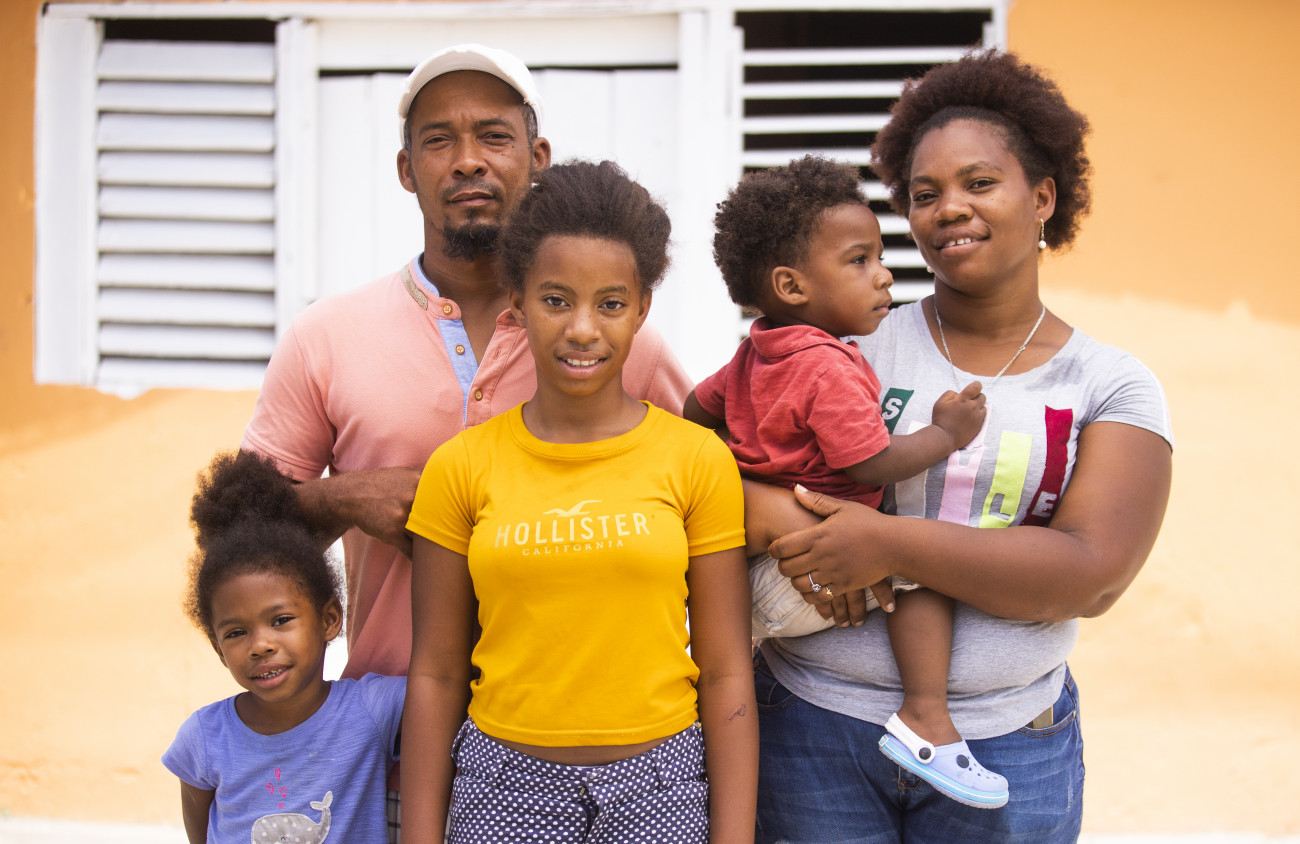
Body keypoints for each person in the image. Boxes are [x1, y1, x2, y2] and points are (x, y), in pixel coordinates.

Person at [239, 44, 691, 835]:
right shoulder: (326, 337)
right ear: (406, 169)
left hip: (583, 759)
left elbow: (711, 495)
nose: (468, 160)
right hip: (386, 748)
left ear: (537, 157)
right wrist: (344, 499)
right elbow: (237, 539)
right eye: (439, 140)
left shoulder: (614, 343)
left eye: (494, 135)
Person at [746, 50, 1174, 842]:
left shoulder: (1111, 384)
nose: (949, 209)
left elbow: (1091, 574)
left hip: (1012, 741)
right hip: (812, 726)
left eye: (979, 183)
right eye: (924, 194)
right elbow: (704, 469)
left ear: (1042, 197)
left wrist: (885, 543)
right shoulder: (843, 346)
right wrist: (776, 514)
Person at [402, 161, 757, 844]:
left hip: (662, 789)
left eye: (611, 304)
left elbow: (725, 671)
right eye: (556, 300)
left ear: (642, 307)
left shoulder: (696, 460)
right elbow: (437, 674)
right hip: (502, 792)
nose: (583, 329)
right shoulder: (461, 467)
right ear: (517, 300)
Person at [683, 154, 1006, 809]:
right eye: (859, 260)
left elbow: (693, 410)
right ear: (792, 285)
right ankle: (926, 720)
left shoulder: (755, 351)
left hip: (748, 570)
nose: (883, 274)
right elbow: (869, 464)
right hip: (806, 576)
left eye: (878, 257)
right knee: (923, 561)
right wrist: (947, 434)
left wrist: (740, 468)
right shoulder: (826, 367)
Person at [163, 451, 404, 844]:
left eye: (280, 621)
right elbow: (201, 831)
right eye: (236, 633)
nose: (260, 645)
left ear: (329, 620)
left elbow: (446, 684)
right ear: (218, 649)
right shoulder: (204, 738)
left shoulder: (373, 710)